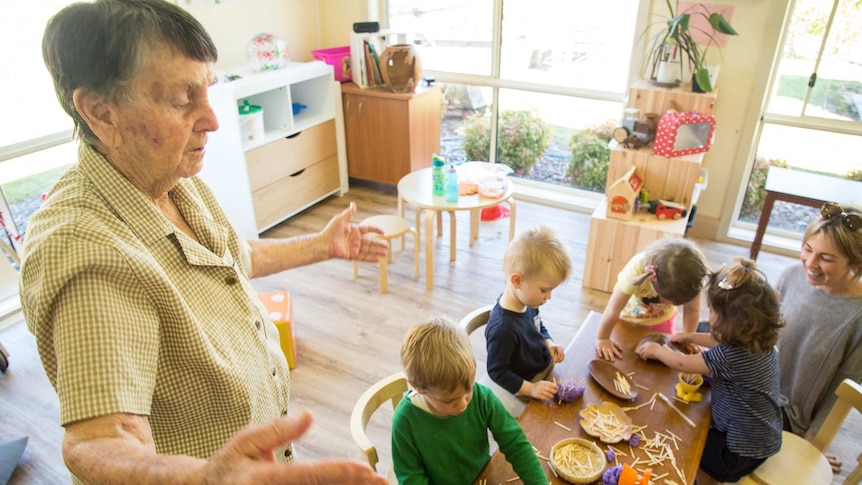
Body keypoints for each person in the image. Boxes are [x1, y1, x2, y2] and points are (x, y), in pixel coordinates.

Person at [20, 1, 390, 484]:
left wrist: (323, 245)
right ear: (100, 112)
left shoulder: (171, 178)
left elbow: (231, 260)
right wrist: (201, 479)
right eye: (181, 100)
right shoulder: (87, 250)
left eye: (208, 92)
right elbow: (97, 441)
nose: (212, 120)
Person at [637, 259, 785, 485]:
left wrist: (658, 350)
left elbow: (683, 364)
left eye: (713, 311)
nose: (710, 315)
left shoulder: (729, 357)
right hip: (764, 437)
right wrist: (690, 337)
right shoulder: (760, 343)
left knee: (691, 452)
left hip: (738, 449)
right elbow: (721, 340)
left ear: (732, 323)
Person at [392, 317, 547, 485]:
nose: (463, 404)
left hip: (483, 476)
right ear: (418, 388)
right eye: (449, 400)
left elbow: (515, 443)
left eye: (468, 390)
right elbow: (410, 477)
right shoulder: (405, 421)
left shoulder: (482, 397)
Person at [775, 202, 862, 472]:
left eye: (826, 258)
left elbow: (841, 392)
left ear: (856, 263)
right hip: (753, 385)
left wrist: (813, 445)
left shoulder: (857, 316)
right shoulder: (790, 275)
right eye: (808, 250)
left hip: (788, 417)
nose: (810, 264)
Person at [484, 225, 572, 416]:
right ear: (517, 281)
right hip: (526, 384)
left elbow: (538, 326)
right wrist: (531, 389)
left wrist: (548, 342)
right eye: (544, 290)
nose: (548, 296)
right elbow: (497, 372)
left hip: (543, 369)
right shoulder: (503, 329)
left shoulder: (528, 301)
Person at [595, 238, 711, 362]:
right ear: (652, 279)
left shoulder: (693, 279)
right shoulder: (637, 268)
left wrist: (688, 337)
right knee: (625, 359)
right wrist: (603, 338)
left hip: (663, 320)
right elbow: (613, 309)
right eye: (666, 299)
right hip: (627, 319)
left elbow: (692, 310)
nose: (670, 304)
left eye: (676, 303)